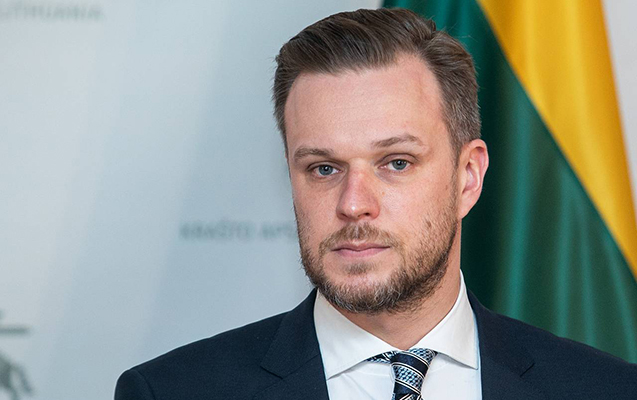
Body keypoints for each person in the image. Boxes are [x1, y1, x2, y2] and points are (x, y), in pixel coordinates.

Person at [114, 8, 637, 400]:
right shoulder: (171, 392)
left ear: (468, 177)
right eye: (324, 168)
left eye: (396, 163)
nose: (353, 204)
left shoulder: (607, 390)